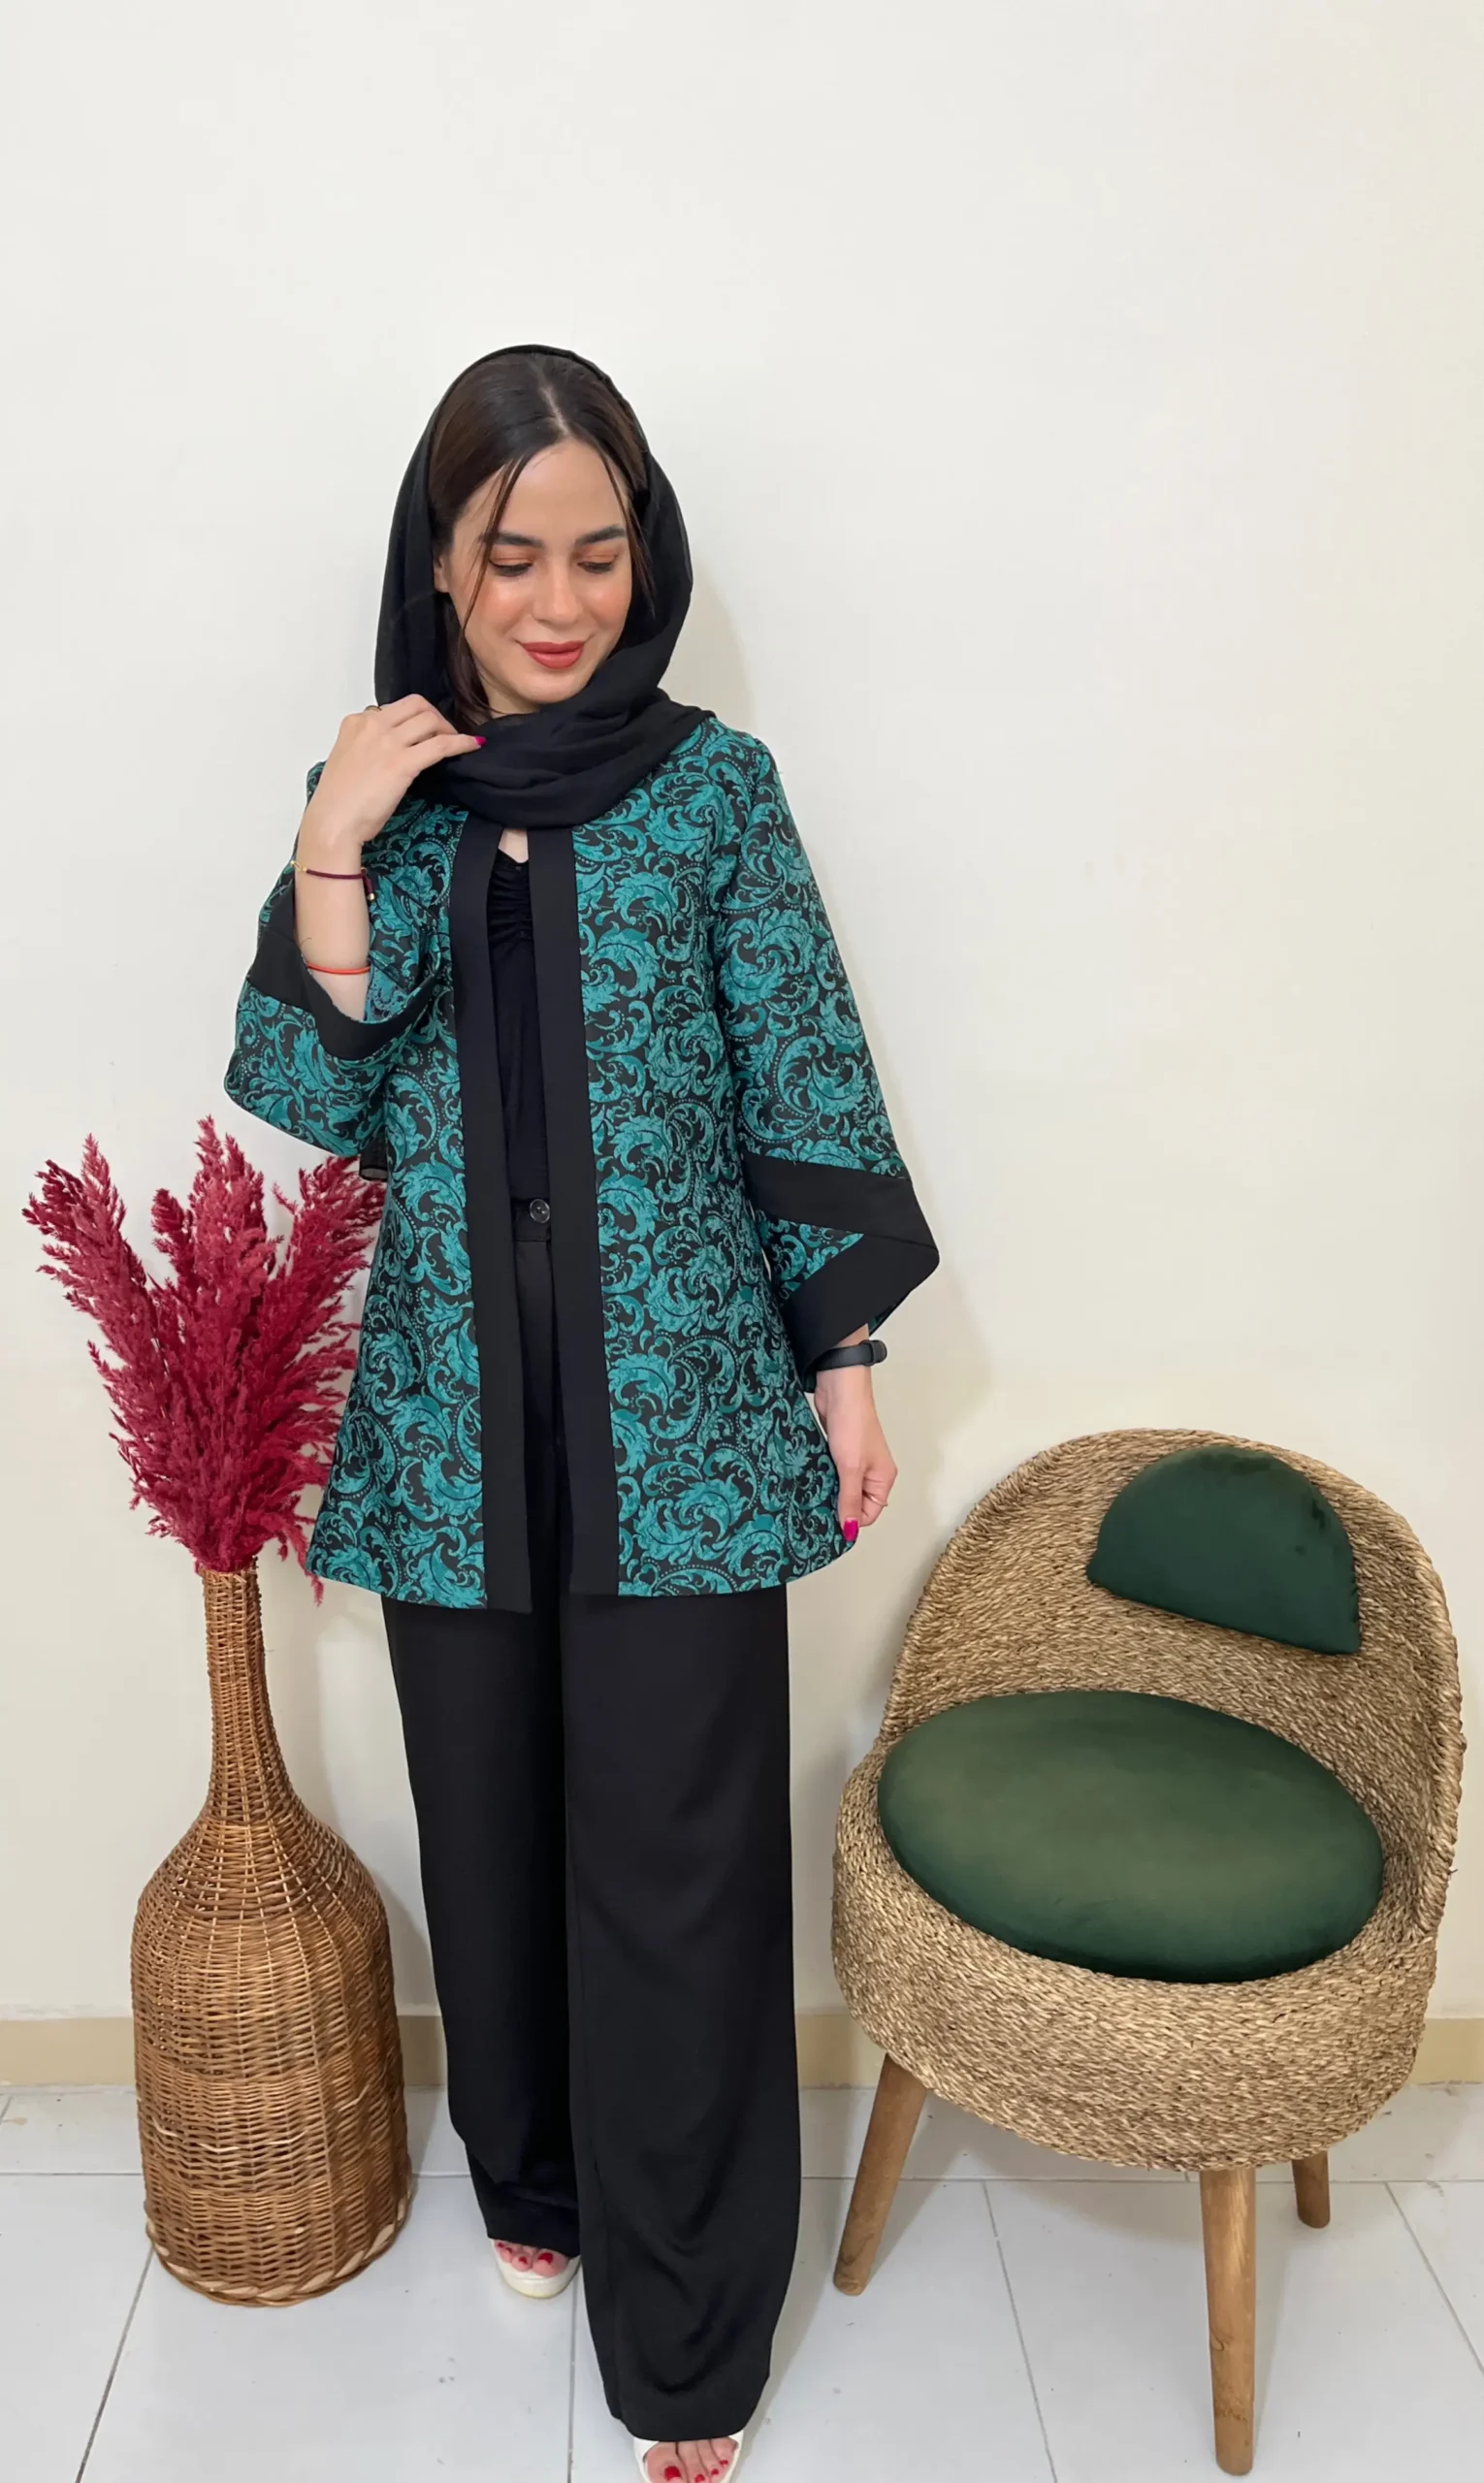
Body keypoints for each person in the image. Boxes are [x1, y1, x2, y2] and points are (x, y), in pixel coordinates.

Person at [225, 342, 939, 2483]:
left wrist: (841, 1361)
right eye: (510, 555)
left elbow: (799, 1064)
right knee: (493, 1826)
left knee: (681, 1861)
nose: (560, 600)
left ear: (649, 555)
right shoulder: (387, 787)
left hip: (684, 1411)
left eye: (598, 553)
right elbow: (314, 1100)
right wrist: (332, 841)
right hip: (452, 1422)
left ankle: (691, 2342)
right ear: (439, 566)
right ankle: (531, 2176)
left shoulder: (716, 790)